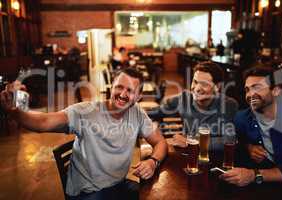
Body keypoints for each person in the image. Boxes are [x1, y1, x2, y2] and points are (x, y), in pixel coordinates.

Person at [0, 67, 168, 200]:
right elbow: (43, 123)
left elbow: (160, 142)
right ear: (111, 86)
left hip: (118, 184)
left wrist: (153, 162)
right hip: (88, 191)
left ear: (138, 96)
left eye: (130, 91)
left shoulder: (137, 113)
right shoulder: (85, 112)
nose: (123, 94)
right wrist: (15, 112)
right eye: (119, 87)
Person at [220, 66, 282, 186]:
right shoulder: (241, 118)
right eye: (247, 89)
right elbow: (231, 142)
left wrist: (255, 175)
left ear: (276, 91)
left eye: (257, 87)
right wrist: (248, 147)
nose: (250, 94)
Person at [148, 61, 238, 151]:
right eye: (195, 82)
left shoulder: (228, 105)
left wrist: (189, 141)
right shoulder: (184, 99)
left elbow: (229, 140)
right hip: (188, 157)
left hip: (216, 160)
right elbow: (154, 112)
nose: (197, 88)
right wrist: (153, 124)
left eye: (204, 84)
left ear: (217, 87)